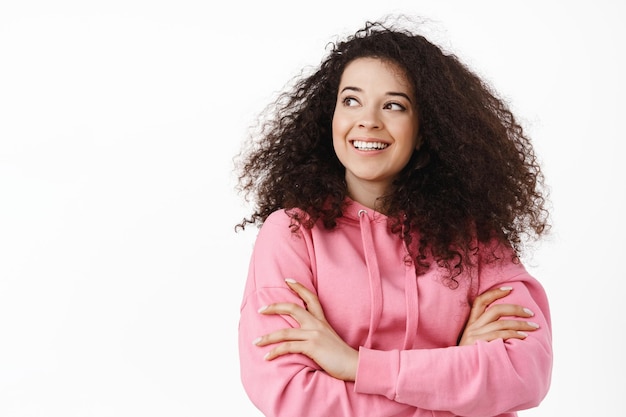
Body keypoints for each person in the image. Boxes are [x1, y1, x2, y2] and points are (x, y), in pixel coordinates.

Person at [234, 16, 552, 417]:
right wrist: (455, 380)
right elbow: (290, 395)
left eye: (394, 105)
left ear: (423, 131)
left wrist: (355, 364)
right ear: (328, 117)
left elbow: (527, 374)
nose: (368, 120)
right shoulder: (292, 234)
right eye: (351, 100)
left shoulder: (475, 237)